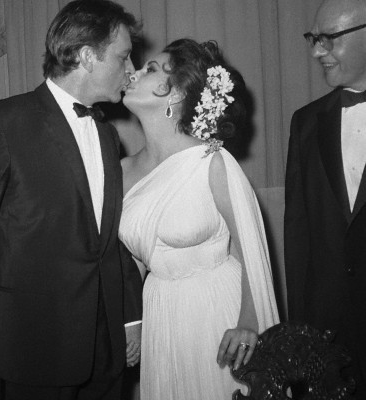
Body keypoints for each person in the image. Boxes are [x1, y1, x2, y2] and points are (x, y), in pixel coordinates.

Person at [0, 1, 144, 399]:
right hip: (34, 346)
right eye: (123, 57)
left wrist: (130, 317)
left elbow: (109, 238)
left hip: (104, 351)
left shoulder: (106, 134)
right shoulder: (2, 124)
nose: (132, 70)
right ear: (88, 56)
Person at [118, 38, 279, 400]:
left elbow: (251, 252)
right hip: (161, 316)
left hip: (217, 312)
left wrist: (248, 324)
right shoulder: (122, 171)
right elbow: (132, 263)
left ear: (175, 94)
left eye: (151, 69)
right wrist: (132, 322)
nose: (134, 73)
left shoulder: (213, 161)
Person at [284, 0, 366, 395]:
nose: (317, 51)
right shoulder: (305, 123)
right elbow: (298, 239)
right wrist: (301, 337)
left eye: (329, 38)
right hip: (330, 339)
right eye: (314, 39)